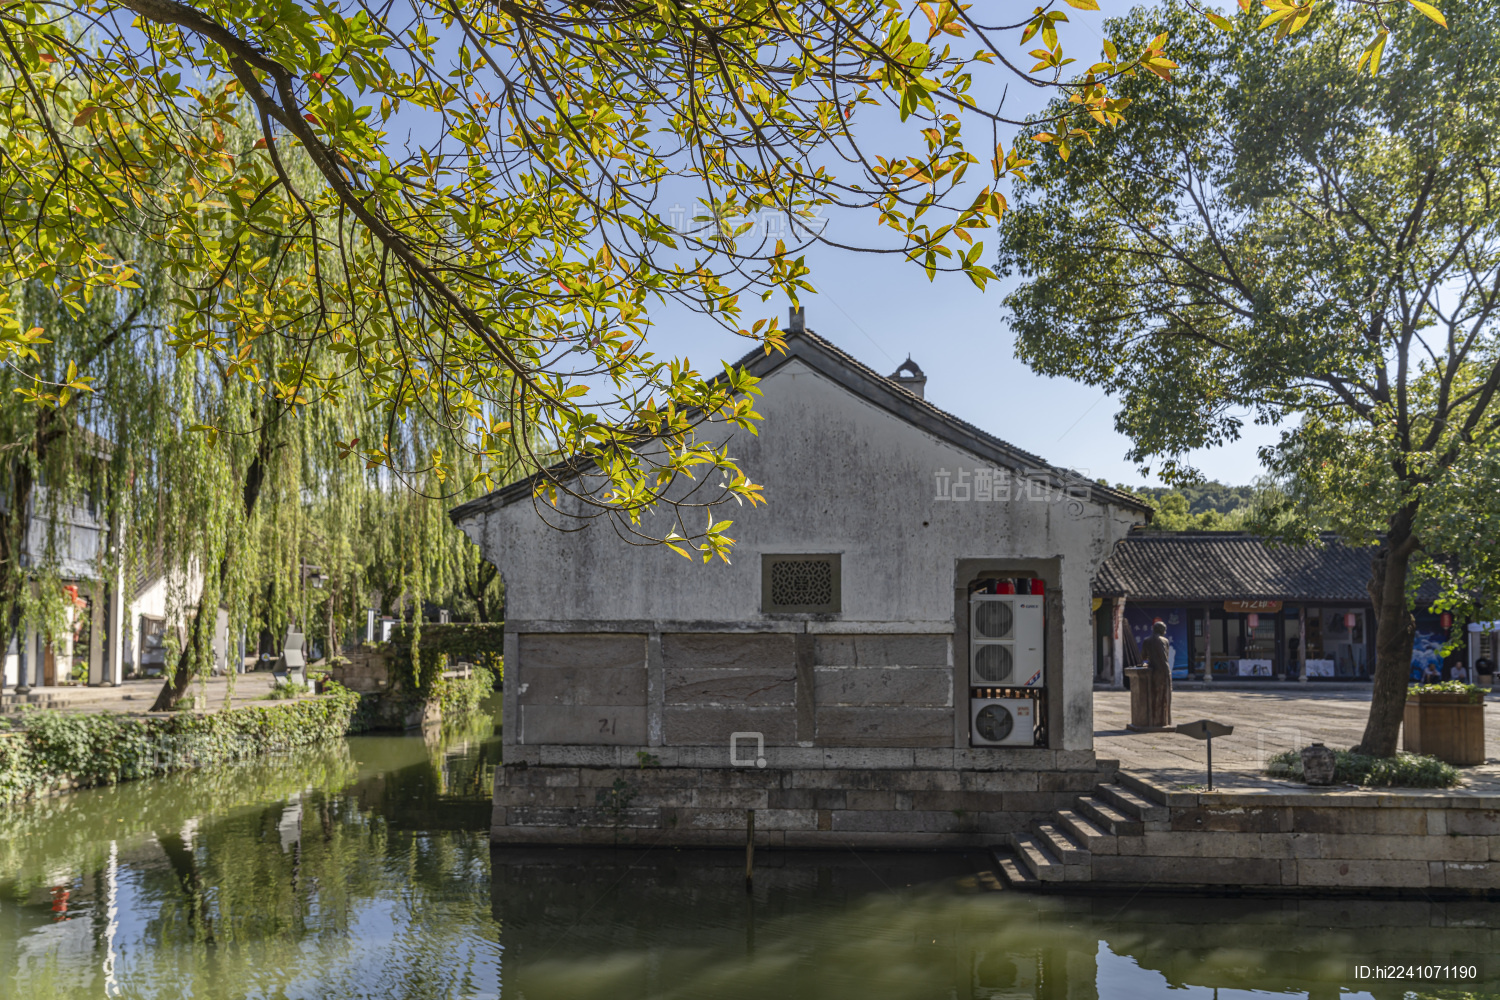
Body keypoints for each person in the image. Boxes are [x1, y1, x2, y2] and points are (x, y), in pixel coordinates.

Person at [1138, 619, 1174, 727]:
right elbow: (1165, 657)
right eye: (1164, 630)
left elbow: (1143, 657)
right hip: (1165, 671)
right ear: (1161, 630)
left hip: (1154, 671)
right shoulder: (1165, 641)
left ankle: (1152, 719)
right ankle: (1164, 720)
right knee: (1166, 696)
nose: (1165, 632)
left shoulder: (1147, 640)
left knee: (1154, 694)